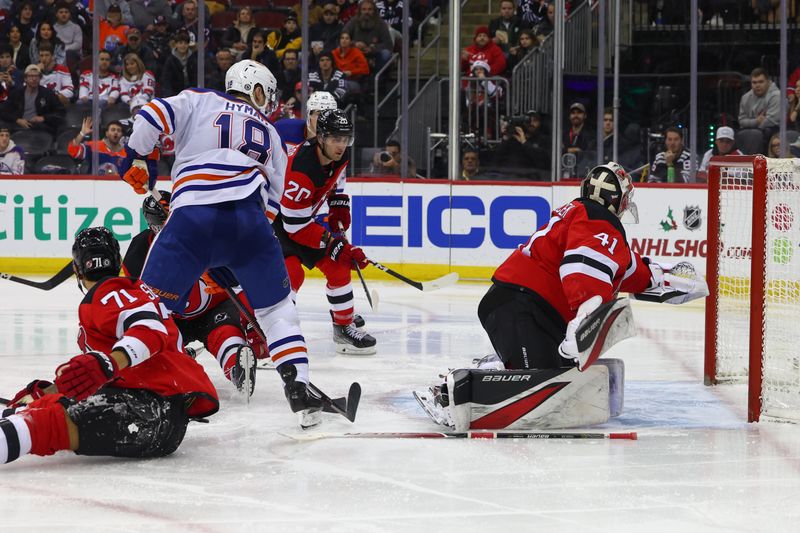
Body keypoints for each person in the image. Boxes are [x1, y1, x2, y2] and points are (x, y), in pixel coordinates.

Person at [415, 163, 707, 430]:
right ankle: (456, 392)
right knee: (546, 383)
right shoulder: (598, 221)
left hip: (517, 305)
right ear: (617, 200)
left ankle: (495, 366)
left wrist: (662, 276)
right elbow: (583, 267)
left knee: (562, 372)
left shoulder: (581, 216)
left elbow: (627, 268)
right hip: (525, 307)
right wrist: (585, 315)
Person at [121, 59, 324, 418]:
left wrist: (140, 159)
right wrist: (237, 252)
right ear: (257, 90)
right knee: (278, 311)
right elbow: (273, 206)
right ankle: (299, 388)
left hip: (192, 219)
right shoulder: (273, 134)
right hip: (250, 225)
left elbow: (150, 115)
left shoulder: (199, 99)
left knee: (149, 306)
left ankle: (127, 376)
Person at [0, 227, 219, 466]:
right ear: (118, 262)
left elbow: (149, 331)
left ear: (77, 269)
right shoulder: (128, 291)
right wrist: (52, 391)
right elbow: (100, 375)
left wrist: (110, 362)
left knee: (44, 423)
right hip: (157, 416)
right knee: (39, 410)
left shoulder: (111, 292)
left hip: (149, 410)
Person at [122, 192, 261, 393]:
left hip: (215, 309)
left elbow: (239, 277)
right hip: (170, 318)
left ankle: (236, 366)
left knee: (227, 334)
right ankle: (175, 360)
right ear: (154, 225)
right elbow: (136, 297)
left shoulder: (209, 235)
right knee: (160, 349)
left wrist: (251, 315)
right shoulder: (139, 252)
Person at [273, 109, 377, 355]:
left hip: (302, 219)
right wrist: (333, 242)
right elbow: (293, 226)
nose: (341, 145)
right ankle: (275, 334)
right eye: (335, 139)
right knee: (291, 275)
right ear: (320, 138)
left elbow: (334, 183)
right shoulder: (302, 169)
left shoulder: (339, 157)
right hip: (277, 223)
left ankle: (343, 328)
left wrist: (339, 204)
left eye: (345, 139)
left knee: (338, 265)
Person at [0, 64, 65, 135]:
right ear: (25, 78)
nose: (34, 79)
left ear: (40, 78)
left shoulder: (48, 94)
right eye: (31, 76)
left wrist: (43, 118)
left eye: (36, 76)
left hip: (40, 129)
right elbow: (3, 111)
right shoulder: (17, 93)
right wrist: (17, 120)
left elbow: (61, 112)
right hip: (18, 127)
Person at [342, 0, 393, 71]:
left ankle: (377, 77)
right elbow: (342, 36)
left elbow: (388, 44)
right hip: (355, 52)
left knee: (386, 53)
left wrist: (373, 48)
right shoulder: (353, 22)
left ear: (374, 11)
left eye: (370, 9)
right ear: (360, 11)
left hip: (375, 55)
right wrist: (354, 44)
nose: (367, 12)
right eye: (364, 9)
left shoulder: (381, 24)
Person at [738, 67, 781, 149]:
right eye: (754, 82)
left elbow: (770, 121)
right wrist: (756, 121)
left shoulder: (777, 96)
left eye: (761, 82)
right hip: (752, 132)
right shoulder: (745, 98)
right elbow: (741, 121)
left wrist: (750, 123)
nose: (757, 85)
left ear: (768, 82)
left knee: (762, 132)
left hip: (773, 133)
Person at [159, 32, 196, 98]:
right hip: (175, 94)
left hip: (192, 93)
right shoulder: (170, 60)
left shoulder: (193, 58)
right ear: (176, 44)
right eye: (180, 43)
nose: (183, 46)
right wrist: (169, 96)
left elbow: (195, 77)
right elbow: (166, 80)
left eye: (185, 43)